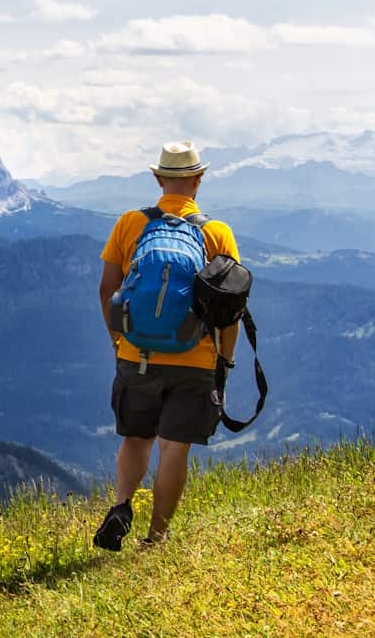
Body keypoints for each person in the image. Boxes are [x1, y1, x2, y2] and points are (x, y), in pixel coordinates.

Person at [92, 141, 242, 551]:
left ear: (159, 179)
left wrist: (118, 339)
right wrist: (225, 360)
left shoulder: (130, 224)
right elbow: (230, 309)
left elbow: (107, 289)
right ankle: (155, 538)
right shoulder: (217, 233)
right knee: (174, 448)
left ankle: (122, 505)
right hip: (195, 359)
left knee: (136, 437)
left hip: (136, 354)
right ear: (198, 180)